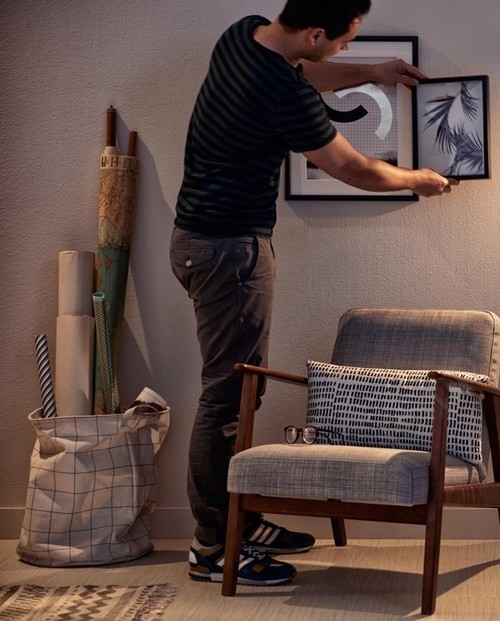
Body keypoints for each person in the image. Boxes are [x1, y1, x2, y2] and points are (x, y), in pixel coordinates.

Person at [170, 0, 453, 586]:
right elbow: (351, 167)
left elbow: (305, 71)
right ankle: (212, 545)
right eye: (346, 42)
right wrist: (416, 180)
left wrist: (370, 73)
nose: (346, 49)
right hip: (230, 252)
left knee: (235, 394)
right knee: (228, 400)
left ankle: (240, 524)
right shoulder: (281, 90)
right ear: (318, 31)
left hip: (200, 241)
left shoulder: (245, 34)